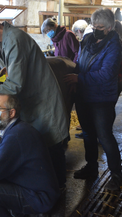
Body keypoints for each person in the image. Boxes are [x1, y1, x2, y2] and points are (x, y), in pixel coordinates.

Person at [0, 9, 69, 189]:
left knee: (51, 142)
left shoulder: (14, 40)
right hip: (28, 102)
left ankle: (58, 190)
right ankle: (44, 187)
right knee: (37, 146)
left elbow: (15, 84)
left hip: (42, 100)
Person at [65, 8, 122, 191]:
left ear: (110, 27)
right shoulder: (88, 40)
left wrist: (79, 79)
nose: (97, 29)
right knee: (88, 134)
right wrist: (77, 78)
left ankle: (116, 175)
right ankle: (91, 167)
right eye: (95, 26)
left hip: (102, 98)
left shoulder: (114, 46)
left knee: (104, 136)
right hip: (84, 95)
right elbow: (81, 63)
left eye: (101, 27)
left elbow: (106, 74)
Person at [71, 19, 93, 139]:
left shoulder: (87, 39)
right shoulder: (89, 38)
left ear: (79, 31)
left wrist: (78, 76)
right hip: (88, 79)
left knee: (88, 113)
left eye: (77, 34)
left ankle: (89, 134)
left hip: (88, 81)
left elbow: (83, 61)